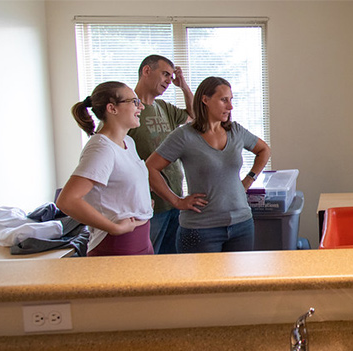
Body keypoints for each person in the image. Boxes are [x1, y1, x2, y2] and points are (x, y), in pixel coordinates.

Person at [146, 76, 271, 253]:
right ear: (205, 100)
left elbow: (264, 150)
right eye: (223, 100)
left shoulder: (235, 130)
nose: (230, 106)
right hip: (201, 229)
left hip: (241, 224)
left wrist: (249, 180)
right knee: (204, 282)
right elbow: (150, 167)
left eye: (231, 100)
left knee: (240, 281)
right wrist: (176, 201)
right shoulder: (184, 136)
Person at [57, 82, 153, 256]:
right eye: (134, 101)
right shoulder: (102, 148)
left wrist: (141, 203)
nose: (141, 106)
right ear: (112, 108)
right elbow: (67, 200)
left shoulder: (128, 143)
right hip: (117, 243)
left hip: (141, 237)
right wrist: (114, 228)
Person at [128, 55, 194, 255]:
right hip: (148, 206)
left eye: (171, 76)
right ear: (147, 70)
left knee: (170, 263)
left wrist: (183, 86)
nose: (168, 80)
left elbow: (194, 117)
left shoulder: (163, 107)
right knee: (147, 263)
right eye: (165, 74)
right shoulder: (127, 107)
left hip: (174, 200)